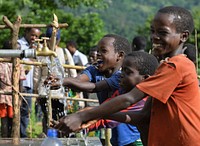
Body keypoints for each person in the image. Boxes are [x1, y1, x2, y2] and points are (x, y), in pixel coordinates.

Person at [54, 6, 200, 146]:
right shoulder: (166, 67)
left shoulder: (176, 66)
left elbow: (128, 99)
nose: (154, 37)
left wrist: (83, 116)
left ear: (184, 36)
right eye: (153, 31)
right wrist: (96, 115)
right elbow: (143, 116)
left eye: (163, 32)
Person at [52, 34, 132, 145]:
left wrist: (63, 81)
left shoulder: (122, 76)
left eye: (103, 51)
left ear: (119, 55)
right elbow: (79, 80)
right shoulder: (96, 69)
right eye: (98, 50)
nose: (98, 54)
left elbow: (93, 87)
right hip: (113, 129)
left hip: (131, 136)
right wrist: (61, 80)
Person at [83, 51, 159, 146]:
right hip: (118, 142)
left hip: (134, 143)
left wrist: (83, 122)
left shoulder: (142, 101)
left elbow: (109, 119)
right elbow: (107, 106)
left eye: (128, 72)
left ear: (145, 78)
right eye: (122, 70)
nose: (121, 74)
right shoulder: (121, 91)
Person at [17, 27, 41, 137]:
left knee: (26, 111)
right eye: (32, 35)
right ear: (26, 33)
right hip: (21, 82)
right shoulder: (19, 45)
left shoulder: (36, 47)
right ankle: (19, 134)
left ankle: (23, 134)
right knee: (19, 110)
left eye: (37, 36)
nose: (34, 38)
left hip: (29, 83)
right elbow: (22, 63)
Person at [0, 40, 26, 137]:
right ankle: (6, 139)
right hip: (4, 95)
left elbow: (20, 82)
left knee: (10, 120)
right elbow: (21, 82)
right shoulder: (2, 62)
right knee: (6, 121)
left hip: (11, 95)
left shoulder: (18, 64)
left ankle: (8, 138)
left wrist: (19, 97)